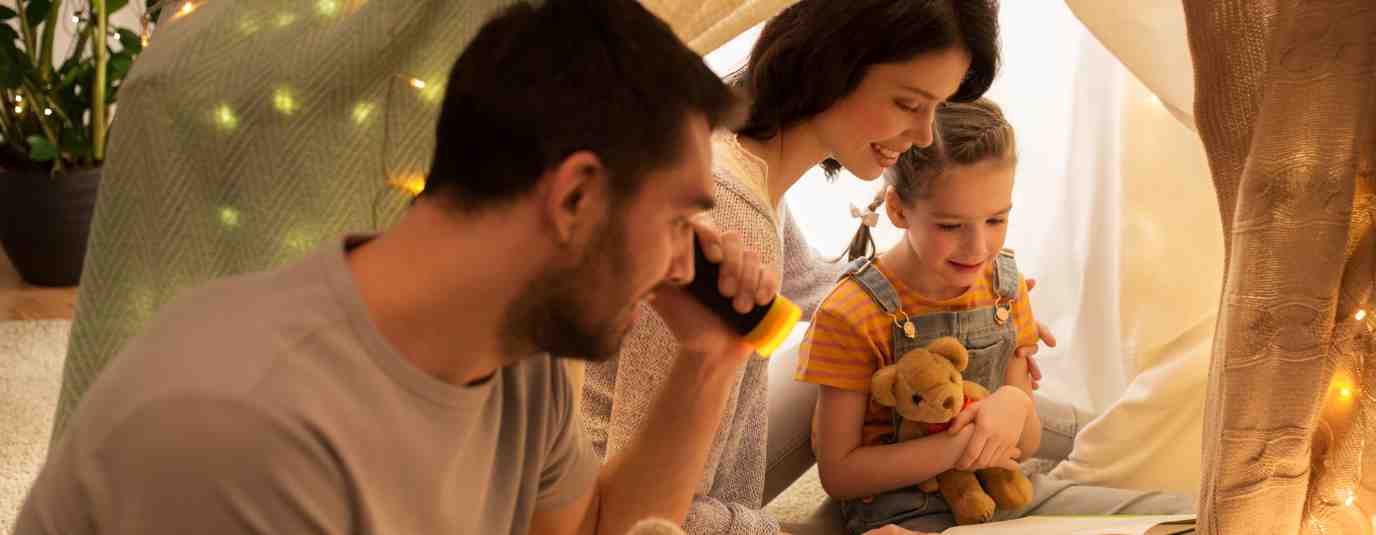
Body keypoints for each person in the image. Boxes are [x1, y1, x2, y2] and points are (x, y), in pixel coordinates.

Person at [13, 2, 775, 534]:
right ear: (574, 194)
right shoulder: (243, 429)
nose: (686, 260)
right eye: (678, 219)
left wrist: (710, 355)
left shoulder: (516, 357)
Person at [579, 2, 1033, 535]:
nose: (926, 135)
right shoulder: (726, 211)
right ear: (830, 65)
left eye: (935, 107)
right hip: (626, 505)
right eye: (909, 103)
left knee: (955, 374)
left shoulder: (739, 163)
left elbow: (818, 292)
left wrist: (972, 299)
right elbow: (644, 520)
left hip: (696, 480)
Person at [799, 100, 1194, 535]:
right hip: (904, 515)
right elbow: (840, 474)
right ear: (898, 211)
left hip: (1005, 494)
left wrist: (1016, 405)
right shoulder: (849, 315)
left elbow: (1023, 447)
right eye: (951, 226)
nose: (978, 247)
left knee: (1190, 515)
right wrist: (962, 446)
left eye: (996, 219)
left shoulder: (1004, 286)